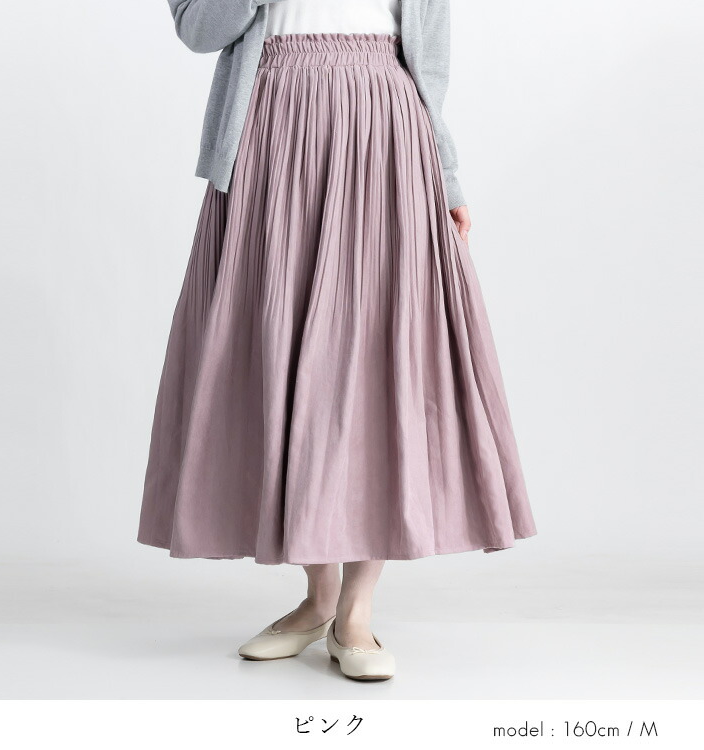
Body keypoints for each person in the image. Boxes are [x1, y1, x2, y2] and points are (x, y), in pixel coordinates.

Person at [137, 0, 537, 682]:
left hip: (385, 130)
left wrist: (445, 173)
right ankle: (318, 597)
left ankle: (355, 610)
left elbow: (430, 61)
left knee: (375, 358)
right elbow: (199, 30)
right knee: (281, 351)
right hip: (270, 126)